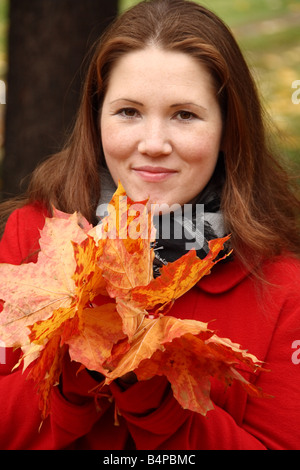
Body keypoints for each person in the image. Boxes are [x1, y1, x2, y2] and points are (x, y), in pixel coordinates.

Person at [0, 0, 299, 451]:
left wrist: (161, 401)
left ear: (227, 129)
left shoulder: (281, 284)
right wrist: (69, 377)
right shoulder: (35, 235)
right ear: (96, 117)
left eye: (185, 114)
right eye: (128, 112)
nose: (153, 144)